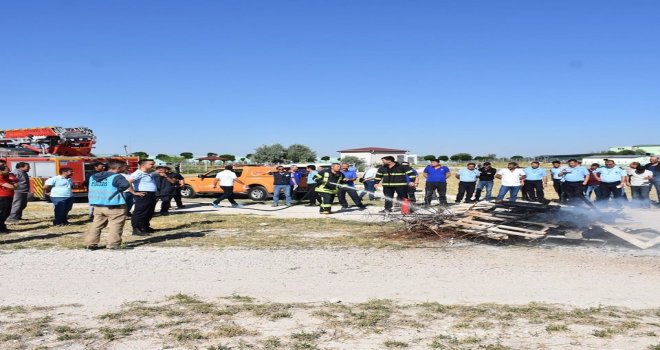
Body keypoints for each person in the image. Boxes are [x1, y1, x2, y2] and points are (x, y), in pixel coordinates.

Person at [85, 161, 135, 250]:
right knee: (116, 225)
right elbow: (125, 185)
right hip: (114, 204)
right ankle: (113, 244)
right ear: (120, 168)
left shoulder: (93, 176)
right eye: (124, 167)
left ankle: (91, 244)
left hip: (98, 204)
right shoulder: (117, 177)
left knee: (96, 225)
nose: (125, 169)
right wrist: (117, 190)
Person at [130, 159, 158, 236]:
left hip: (151, 194)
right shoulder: (138, 173)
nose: (153, 166)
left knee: (149, 211)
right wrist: (133, 192)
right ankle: (136, 229)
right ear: (143, 165)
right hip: (143, 194)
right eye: (151, 164)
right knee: (140, 212)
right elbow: (128, 182)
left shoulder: (148, 173)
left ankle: (145, 227)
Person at [0, 165, 16, 234]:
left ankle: (3, 227)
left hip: (8, 196)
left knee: (7, 213)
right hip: (3, 197)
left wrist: (14, 184)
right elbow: (11, 186)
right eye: (7, 170)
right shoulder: (0, 178)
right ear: (1, 171)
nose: (9, 171)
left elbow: (16, 184)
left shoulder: (6, 177)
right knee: (3, 213)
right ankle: (1, 229)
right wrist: (13, 185)